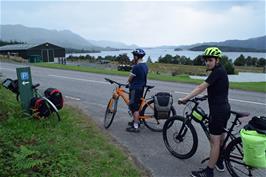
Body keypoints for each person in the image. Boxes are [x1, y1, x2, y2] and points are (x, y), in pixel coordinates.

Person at [178, 47, 231, 177]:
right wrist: (207, 96)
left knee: (215, 142)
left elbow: (201, 87)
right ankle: (220, 161)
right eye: (206, 60)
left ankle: (208, 172)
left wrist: (185, 98)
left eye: (210, 60)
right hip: (224, 109)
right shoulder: (221, 71)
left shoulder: (217, 72)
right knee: (221, 138)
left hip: (218, 111)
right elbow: (218, 89)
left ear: (217, 60)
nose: (207, 63)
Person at [126, 48, 148, 133]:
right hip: (141, 88)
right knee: (137, 106)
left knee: (134, 107)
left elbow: (130, 78)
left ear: (136, 56)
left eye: (134, 56)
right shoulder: (145, 65)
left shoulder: (136, 67)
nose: (133, 57)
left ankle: (135, 126)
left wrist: (128, 83)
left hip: (135, 89)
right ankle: (135, 120)